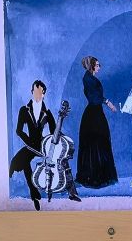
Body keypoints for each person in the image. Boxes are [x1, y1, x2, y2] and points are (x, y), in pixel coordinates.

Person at [9, 80, 80, 209]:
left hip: (43, 144)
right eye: (35, 92)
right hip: (30, 143)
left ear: (44, 94)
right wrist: (29, 143)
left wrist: (62, 140)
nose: (38, 95)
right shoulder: (24, 110)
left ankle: (72, 192)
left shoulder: (47, 113)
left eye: (40, 92)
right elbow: (19, 131)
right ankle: (34, 194)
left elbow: (54, 131)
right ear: (32, 92)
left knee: (61, 157)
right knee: (20, 161)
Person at [75, 56, 119, 188]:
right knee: (96, 143)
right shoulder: (88, 79)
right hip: (93, 115)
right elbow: (94, 98)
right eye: (98, 65)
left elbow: (96, 97)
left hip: (96, 112)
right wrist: (107, 102)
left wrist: (106, 102)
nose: (99, 67)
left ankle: (100, 176)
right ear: (92, 66)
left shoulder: (90, 78)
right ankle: (94, 178)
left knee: (100, 142)